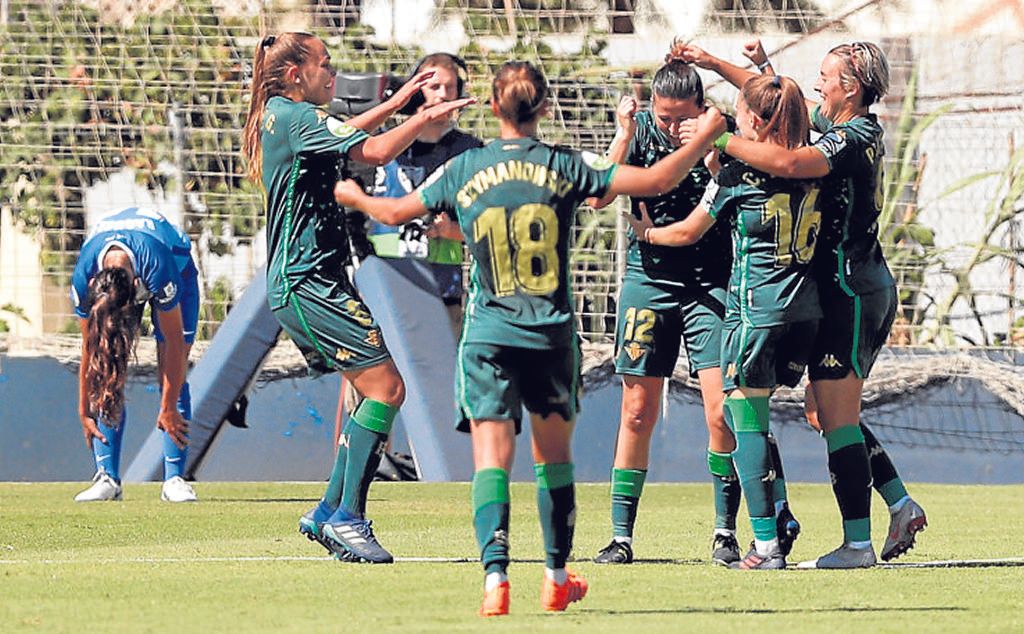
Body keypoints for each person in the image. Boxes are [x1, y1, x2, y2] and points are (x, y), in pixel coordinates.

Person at [334, 61, 725, 614]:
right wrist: (704, 137)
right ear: (544, 109)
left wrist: (355, 198)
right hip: (547, 334)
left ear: (493, 108)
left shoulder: (466, 166)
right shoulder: (563, 165)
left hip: (488, 333)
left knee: (491, 461)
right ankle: (556, 576)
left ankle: (495, 579)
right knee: (553, 460)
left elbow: (397, 211)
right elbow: (657, 181)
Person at [681, 39, 927, 567]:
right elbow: (781, 105)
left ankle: (856, 541)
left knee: (834, 415)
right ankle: (898, 503)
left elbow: (790, 159)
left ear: (851, 87)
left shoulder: (853, 136)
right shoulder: (843, 126)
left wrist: (720, 133)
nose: (818, 83)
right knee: (825, 412)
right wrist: (724, 66)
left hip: (853, 291)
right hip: (836, 292)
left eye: (825, 75)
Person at [241, 32, 474, 564]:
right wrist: (423, 116)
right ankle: (348, 516)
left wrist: (396, 103)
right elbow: (368, 150)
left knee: (374, 391)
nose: (333, 74)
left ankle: (328, 510)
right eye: (325, 65)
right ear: (296, 74)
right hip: (306, 282)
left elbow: (347, 134)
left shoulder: (286, 115)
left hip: (316, 279)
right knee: (388, 389)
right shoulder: (293, 115)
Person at [586, 50, 799, 568]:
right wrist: (623, 129)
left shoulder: (725, 131)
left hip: (711, 283)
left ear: (704, 108)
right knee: (637, 410)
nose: (675, 125)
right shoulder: (638, 132)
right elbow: (597, 195)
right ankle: (620, 536)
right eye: (666, 117)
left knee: (721, 411)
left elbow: (767, 147)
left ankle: (726, 530)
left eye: (685, 116)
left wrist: (712, 155)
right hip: (649, 279)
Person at [71, 206, 197, 503]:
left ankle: (174, 479)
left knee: (174, 367)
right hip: (128, 277)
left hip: (178, 271)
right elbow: (90, 348)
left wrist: (167, 407)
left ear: (137, 291)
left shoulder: (156, 266)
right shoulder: (83, 275)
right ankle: (107, 477)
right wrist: (83, 409)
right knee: (107, 359)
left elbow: (173, 344)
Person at [369, 52, 483, 336]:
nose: (443, 95)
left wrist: (451, 230)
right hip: (385, 283)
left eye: (451, 87)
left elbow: (485, 226)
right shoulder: (381, 145)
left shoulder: (469, 151)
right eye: (433, 87)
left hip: (441, 288)